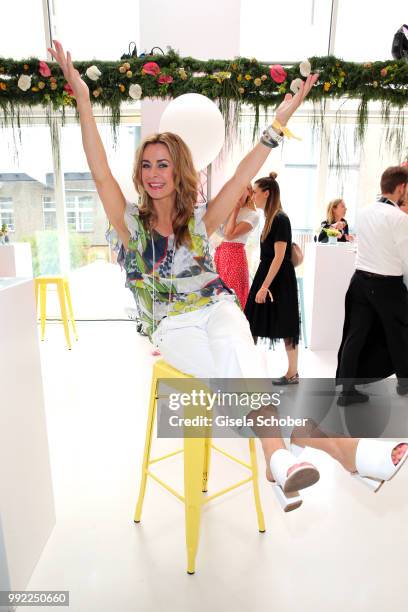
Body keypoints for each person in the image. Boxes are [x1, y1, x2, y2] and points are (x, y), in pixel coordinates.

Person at [49, 40, 408, 513]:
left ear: (178, 173)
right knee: (237, 377)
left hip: (217, 307)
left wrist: (281, 120)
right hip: (172, 325)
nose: (154, 173)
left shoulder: (198, 221)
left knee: (239, 357)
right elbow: (99, 175)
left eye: (164, 164)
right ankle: (338, 455)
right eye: (147, 165)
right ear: (139, 174)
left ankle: (282, 459)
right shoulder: (129, 224)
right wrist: (82, 99)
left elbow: (243, 173)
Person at [336, 166, 408, 406]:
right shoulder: (399, 218)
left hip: (359, 282)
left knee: (354, 336)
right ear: (401, 188)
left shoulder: (363, 212)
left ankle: (346, 392)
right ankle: (404, 384)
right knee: (400, 334)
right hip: (388, 284)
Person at [244, 173, 300, 385]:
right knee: (253, 319)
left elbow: (279, 256)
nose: (253, 197)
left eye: (256, 193)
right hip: (267, 274)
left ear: (266, 193)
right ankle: (248, 369)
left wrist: (264, 286)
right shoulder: (271, 218)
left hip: (278, 278)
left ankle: (292, 373)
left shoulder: (279, 219)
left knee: (285, 323)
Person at [214, 184, 258, 308]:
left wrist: (235, 210)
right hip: (220, 256)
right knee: (219, 301)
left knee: (234, 300)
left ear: (249, 192)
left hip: (235, 258)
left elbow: (229, 235)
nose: (237, 193)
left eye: (241, 188)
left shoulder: (253, 215)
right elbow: (213, 228)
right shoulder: (225, 211)